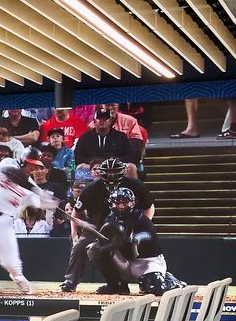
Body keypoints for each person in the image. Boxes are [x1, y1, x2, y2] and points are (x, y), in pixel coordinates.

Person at [62, 158, 157, 291]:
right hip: (98, 226)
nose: (111, 175)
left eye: (114, 171)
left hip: (128, 225)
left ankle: (149, 278)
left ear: (123, 171)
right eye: (108, 171)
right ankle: (71, 281)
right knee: (81, 247)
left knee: (133, 250)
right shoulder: (92, 188)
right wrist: (74, 234)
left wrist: (142, 224)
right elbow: (76, 212)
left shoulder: (136, 185)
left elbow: (149, 207)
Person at [71, 185, 182, 295]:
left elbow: (148, 236)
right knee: (93, 249)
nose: (121, 206)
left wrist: (133, 239)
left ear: (132, 203)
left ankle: (170, 281)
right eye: (117, 203)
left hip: (146, 262)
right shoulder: (110, 219)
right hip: (124, 261)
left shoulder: (140, 218)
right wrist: (104, 245)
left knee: (153, 289)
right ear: (111, 204)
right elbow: (103, 241)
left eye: (125, 202)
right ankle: (116, 285)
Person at [0, 155, 51, 291]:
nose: (32, 169)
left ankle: (18, 277)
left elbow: (40, 204)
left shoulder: (31, 190)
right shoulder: (8, 164)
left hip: (5, 221)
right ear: (22, 161)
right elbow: (13, 174)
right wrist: (35, 190)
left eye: (35, 167)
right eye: (30, 165)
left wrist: (49, 202)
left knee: (10, 259)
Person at [74, 106, 143, 178]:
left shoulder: (121, 136)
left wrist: (114, 162)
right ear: (94, 122)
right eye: (99, 119)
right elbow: (78, 157)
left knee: (131, 167)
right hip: (92, 166)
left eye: (105, 118)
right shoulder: (85, 137)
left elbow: (129, 156)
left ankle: (134, 185)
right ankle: (80, 185)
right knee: (80, 167)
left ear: (110, 121)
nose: (102, 121)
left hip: (115, 166)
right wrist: (93, 162)